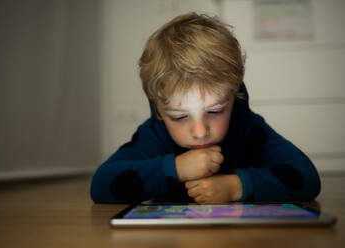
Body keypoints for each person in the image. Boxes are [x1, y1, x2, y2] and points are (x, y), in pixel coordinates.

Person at [90, 12, 321, 204]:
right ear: (159, 111)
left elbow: (306, 177)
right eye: (180, 116)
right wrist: (175, 168)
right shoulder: (154, 135)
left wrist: (237, 186)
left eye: (215, 111)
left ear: (234, 98)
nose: (200, 131)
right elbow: (101, 184)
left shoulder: (248, 128)